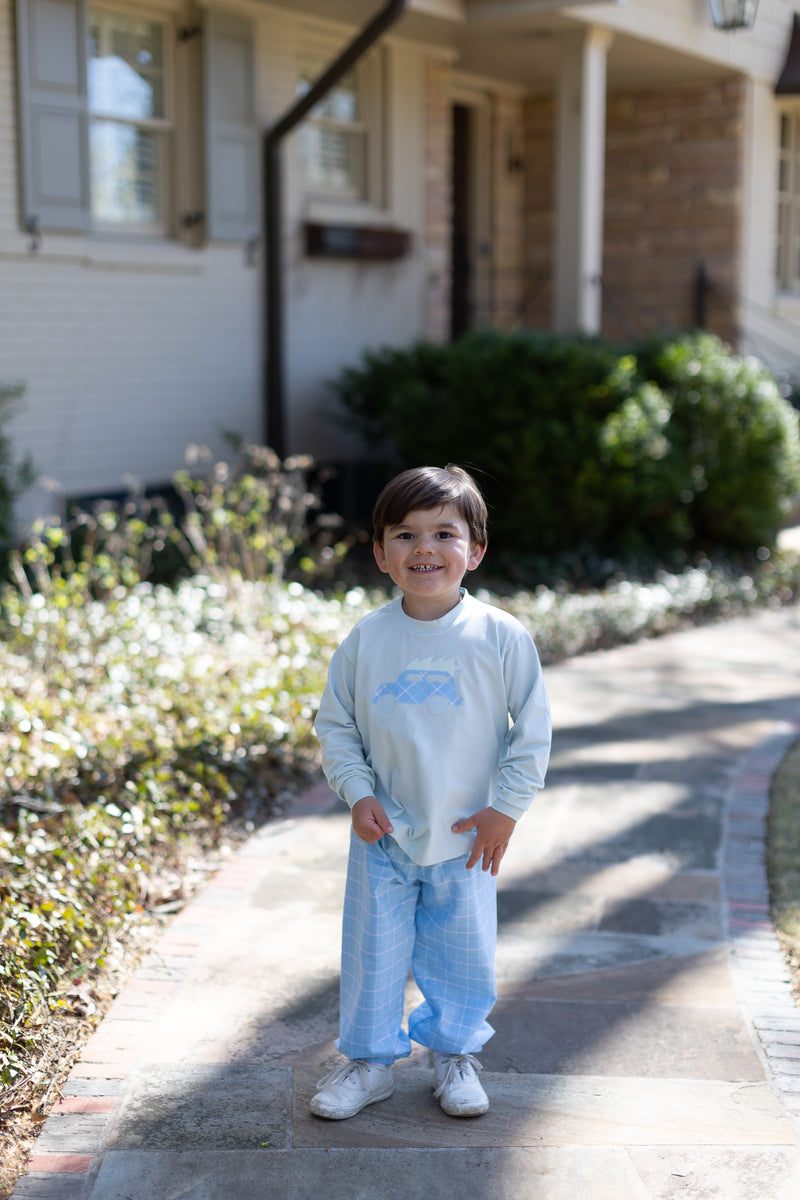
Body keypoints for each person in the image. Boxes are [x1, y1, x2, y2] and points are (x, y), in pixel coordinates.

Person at [311, 464, 551, 1120]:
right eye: (405, 534)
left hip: (468, 835)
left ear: (474, 550)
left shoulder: (501, 638)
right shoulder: (367, 639)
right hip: (383, 833)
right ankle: (369, 1063)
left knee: (463, 951)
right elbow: (336, 726)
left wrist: (505, 810)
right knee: (373, 952)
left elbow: (532, 733)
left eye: (443, 533)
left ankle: (454, 1055)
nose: (424, 548)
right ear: (381, 554)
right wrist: (358, 794)